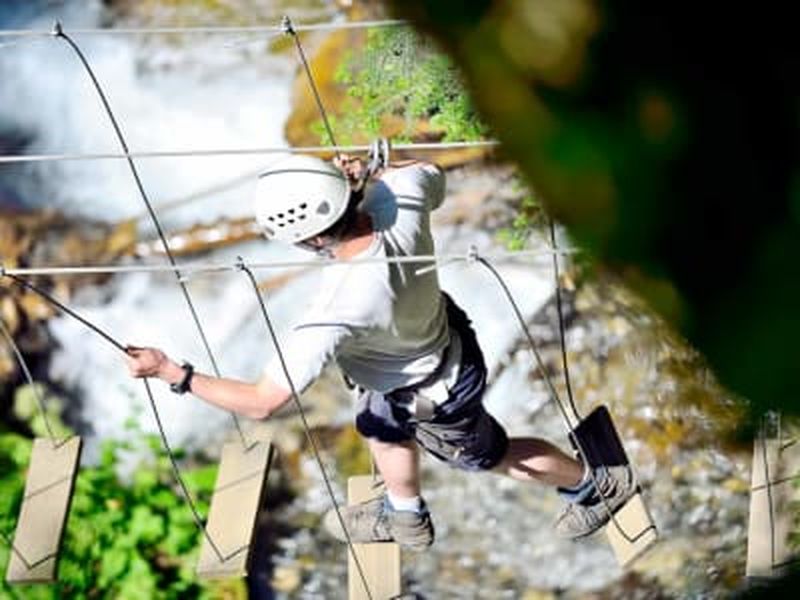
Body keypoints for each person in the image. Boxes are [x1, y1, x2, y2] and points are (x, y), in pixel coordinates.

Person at [125, 152, 636, 550]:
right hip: (431, 343)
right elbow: (428, 172)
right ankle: (405, 514)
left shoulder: (332, 310)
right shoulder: (399, 196)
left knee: (491, 457)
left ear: (307, 240)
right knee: (379, 425)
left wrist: (175, 372)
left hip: (435, 387)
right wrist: (370, 178)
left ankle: (595, 483)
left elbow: (263, 402)